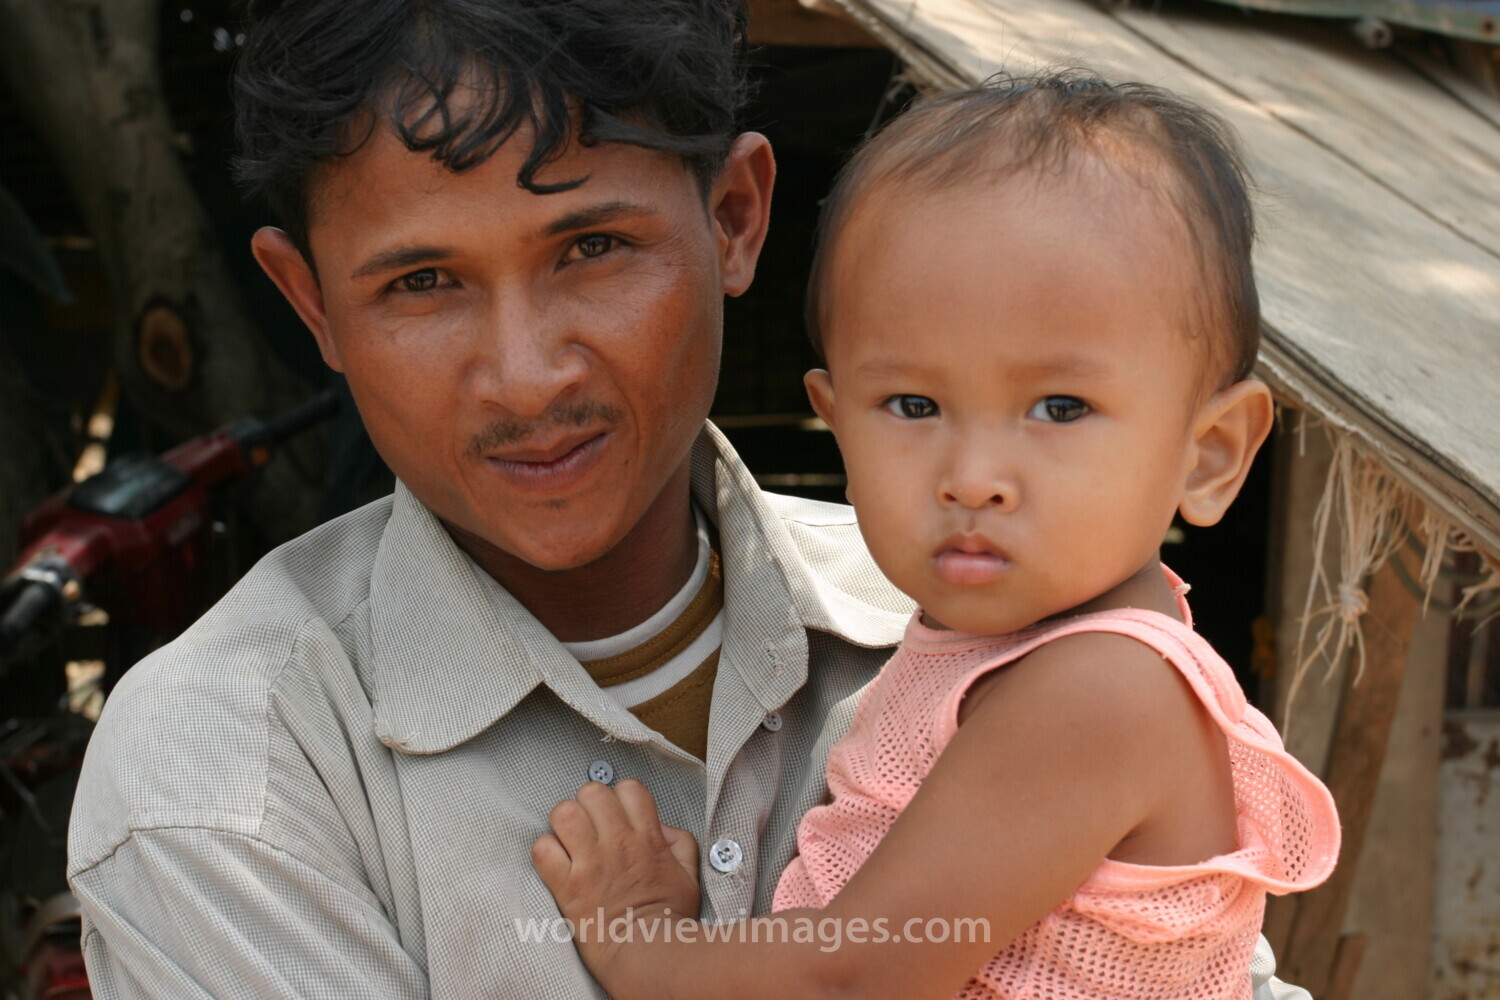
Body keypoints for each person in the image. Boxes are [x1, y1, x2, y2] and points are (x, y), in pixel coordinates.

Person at [61, 0, 1309, 991]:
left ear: (735, 217)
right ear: (312, 304)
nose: (526, 374)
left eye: (592, 247)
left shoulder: (1006, 631)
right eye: (423, 283)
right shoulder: (229, 781)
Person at [531, 74, 1341, 1000]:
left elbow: (856, 977)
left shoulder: (1101, 689)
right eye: (914, 405)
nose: (972, 476)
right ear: (839, 424)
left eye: (1060, 407)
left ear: (1210, 455)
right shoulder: (1009, 649)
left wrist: (643, 944)